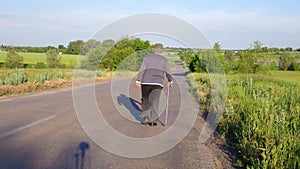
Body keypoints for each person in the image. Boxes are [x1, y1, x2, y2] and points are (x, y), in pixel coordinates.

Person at [136, 43, 173, 126]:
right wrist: (170, 81)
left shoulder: (147, 57)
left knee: (145, 100)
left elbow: (142, 69)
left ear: (154, 49)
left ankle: (146, 118)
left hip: (145, 82)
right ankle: (153, 121)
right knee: (155, 102)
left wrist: (138, 80)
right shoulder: (164, 60)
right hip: (158, 83)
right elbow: (168, 72)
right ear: (162, 50)